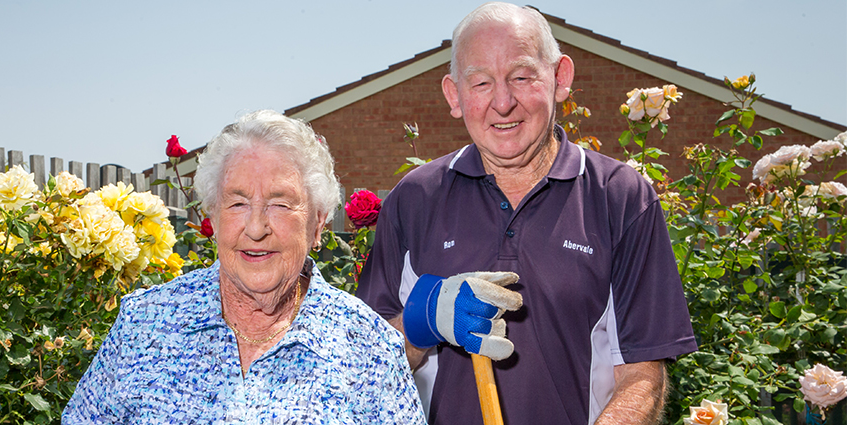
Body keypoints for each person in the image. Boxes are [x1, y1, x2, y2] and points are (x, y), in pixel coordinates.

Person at [355, 3, 698, 424]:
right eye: (480, 82)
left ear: (560, 78)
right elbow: (361, 365)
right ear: (454, 95)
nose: (503, 103)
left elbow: (642, 373)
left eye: (521, 77)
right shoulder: (415, 198)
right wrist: (422, 320)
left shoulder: (621, 197)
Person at [63, 110, 426, 424]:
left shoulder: (370, 347)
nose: (255, 228)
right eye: (237, 204)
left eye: (280, 205)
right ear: (214, 217)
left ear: (318, 224)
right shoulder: (144, 324)